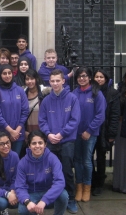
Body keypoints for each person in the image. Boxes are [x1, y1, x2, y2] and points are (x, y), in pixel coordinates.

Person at [38, 69, 80, 214]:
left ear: (63, 81)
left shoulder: (72, 98)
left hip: (67, 141)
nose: (55, 83)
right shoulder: (46, 100)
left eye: (58, 80)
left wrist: (61, 134)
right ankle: (52, 198)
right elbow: (42, 120)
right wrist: (49, 134)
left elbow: (75, 120)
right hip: (50, 141)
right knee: (49, 171)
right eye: (52, 81)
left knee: (67, 170)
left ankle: (71, 199)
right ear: (49, 82)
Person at [15, 130, 69, 215]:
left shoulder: (53, 159)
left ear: (45, 144)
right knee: (23, 210)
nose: (37, 146)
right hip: (31, 193)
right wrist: (27, 201)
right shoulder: (22, 163)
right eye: (34, 143)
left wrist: (44, 200)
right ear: (29, 146)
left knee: (63, 195)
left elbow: (60, 182)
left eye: (40, 143)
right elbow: (20, 186)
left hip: (49, 191)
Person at [72, 67, 106, 203]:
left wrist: (89, 131)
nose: (82, 78)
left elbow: (100, 115)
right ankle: (79, 187)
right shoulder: (74, 93)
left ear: (90, 77)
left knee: (87, 161)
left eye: (85, 76)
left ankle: (87, 187)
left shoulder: (96, 93)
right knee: (77, 161)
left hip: (90, 134)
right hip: (75, 133)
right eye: (79, 76)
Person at [91, 69, 120, 196]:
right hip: (92, 129)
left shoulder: (112, 93)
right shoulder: (91, 91)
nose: (98, 79)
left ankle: (100, 183)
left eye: (101, 77)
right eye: (96, 77)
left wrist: (112, 134)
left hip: (104, 130)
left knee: (101, 157)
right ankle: (92, 180)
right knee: (89, 157)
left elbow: (114, 115)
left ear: (106, 79)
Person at [0, 64, 29, 156]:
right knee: (2, 162)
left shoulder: (20, 90)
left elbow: (25, 111)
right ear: (0, 75)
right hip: (2, 134)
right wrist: (11, 131)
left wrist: (17, 131)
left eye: (9, 73)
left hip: (18, 134)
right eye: (4, 73)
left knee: (15, 159)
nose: (7, 76)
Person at [24, 69, 50, 136]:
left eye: (32, 78)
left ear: (37, 79)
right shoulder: (23, 94)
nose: (29, 81)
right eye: (27, 79)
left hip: (43, 130)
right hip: (28, 131)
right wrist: (24, 131)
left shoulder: (44, 92)